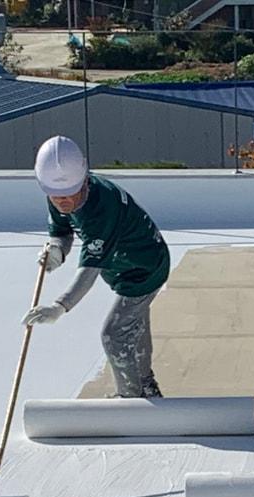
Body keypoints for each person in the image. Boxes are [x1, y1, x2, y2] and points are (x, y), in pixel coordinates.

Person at [23, 135, 171, 398]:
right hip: (122, 266)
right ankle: (146, 384)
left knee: (114, 335)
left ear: (83, 179)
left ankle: (131, 397)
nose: (62, 201)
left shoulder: (103, 206)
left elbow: (89, 271)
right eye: (55, 195)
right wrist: (57, 248)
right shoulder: (58, 191)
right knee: (133, 326)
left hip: (144, 268)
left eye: (68, 194)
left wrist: (59, 307)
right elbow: (62, 230)